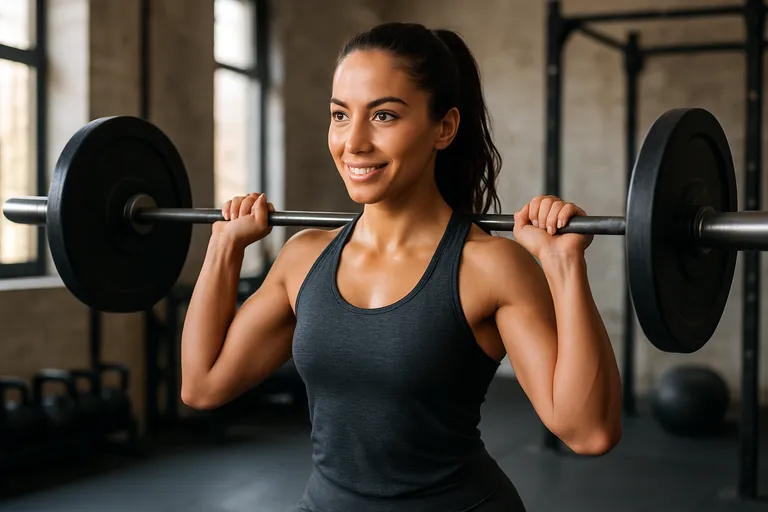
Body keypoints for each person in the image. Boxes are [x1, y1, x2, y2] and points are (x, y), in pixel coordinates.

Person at [180, 22, 623, 512]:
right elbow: (203, 385)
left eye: (384, 115)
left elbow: (589, 432)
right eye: (340, 115)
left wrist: (563, 266)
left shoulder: (489, 266)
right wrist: (223, 248)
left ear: (444, 127)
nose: (354, 142)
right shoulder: (303, 258)